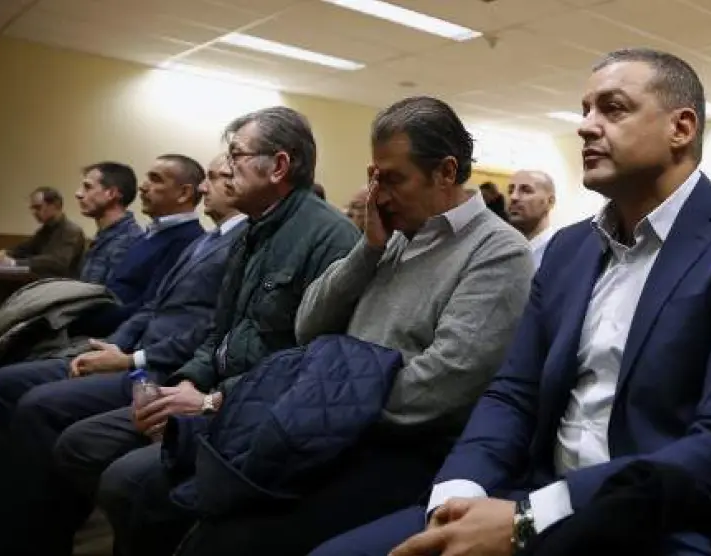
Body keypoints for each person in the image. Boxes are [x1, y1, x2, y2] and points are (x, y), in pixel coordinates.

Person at [311, 47, 711, 556]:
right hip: (536, 497)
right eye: (585, 110)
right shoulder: (570, 249)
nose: (586, 126)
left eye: (612, 108)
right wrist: (459, 493)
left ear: (681, 128)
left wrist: (531, 519)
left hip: (672, 522)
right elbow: (513, 394)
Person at [125, 95, 536, 556]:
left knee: (228, 535)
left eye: (393, 179)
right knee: (158, 488)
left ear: (445, 171)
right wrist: (368, 250)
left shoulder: (498, 251)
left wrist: (319, 404)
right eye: (374, 178)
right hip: (330, 422)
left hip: (402, 446)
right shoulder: (394, 237)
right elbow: (309, 326)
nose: (379, 195)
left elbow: (441, 386)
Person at [54, 106, 360, 556]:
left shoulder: (330, 238)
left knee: (127, 483)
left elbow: (308, 362)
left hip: (254, 410)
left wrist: (212, 400)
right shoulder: (252, 230)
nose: (222, 172)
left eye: (236, 156)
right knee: (79, 443)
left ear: (278, 166)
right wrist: (187, 382)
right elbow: (220, 331)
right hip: (206, 392)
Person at [0, 155, 245, 556]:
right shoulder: (208, 239)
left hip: (164, 368)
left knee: (39, 405)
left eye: (215, 178)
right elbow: (152, 308)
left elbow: (211, 328)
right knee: (11, 378)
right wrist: (109, 346)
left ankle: (29, 538)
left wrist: (132, 359)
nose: (204, 188)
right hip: (131, 350)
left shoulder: (239, 241)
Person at [68, 154, 209, 338]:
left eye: (155, 179)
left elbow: (149, 308)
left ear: (184, 193)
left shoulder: (187, 241)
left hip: (111, 340)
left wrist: (75, 323)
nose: (143, 186)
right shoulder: (154, 233)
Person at [73, 162, 144, 285]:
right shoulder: (103, 236)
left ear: (111, 193)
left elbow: (111, 295)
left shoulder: (128, 242)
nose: (78, 194)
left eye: (88, 187)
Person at [0, 187, 87, 278]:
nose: (34, 212)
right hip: (46, 281)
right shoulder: (45, 230)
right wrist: (6, 253)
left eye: (38, 207)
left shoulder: (72, 231)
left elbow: (57, 263)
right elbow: (25, 248)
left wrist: (14, 263)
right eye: (32, 208)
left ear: (55, 206)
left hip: (63, 283)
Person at [507, 170, 557, 268]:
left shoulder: (561, 252)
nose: (513, 197)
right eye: (510, 191)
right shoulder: (502, 248)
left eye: (526, 191)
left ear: (550, 202)